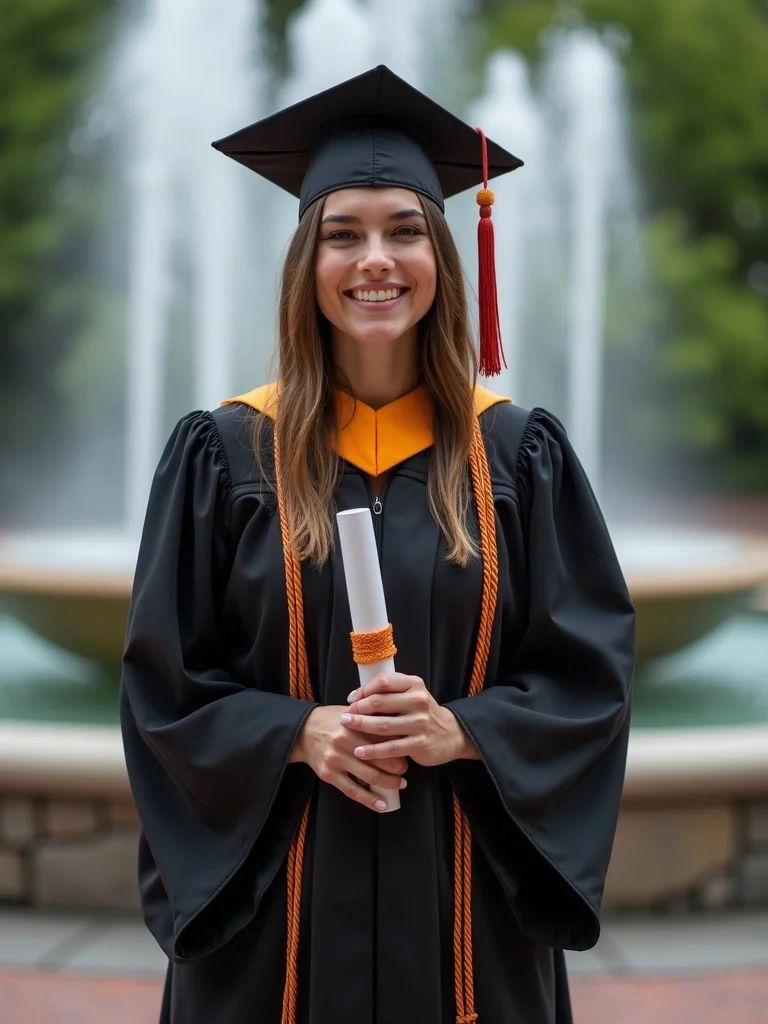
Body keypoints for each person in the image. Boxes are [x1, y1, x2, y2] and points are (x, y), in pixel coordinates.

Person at [120, 65, 635, 1024]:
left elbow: (589, 678)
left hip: (463, 922)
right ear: (305, 264)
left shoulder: (515, 455)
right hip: (276, 928)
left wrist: (463, 730)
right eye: (342, 234)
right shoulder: (226, 454)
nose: (376, 261)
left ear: (443, 252)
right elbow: (163, 689)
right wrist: (296, 734)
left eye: (404, 230)